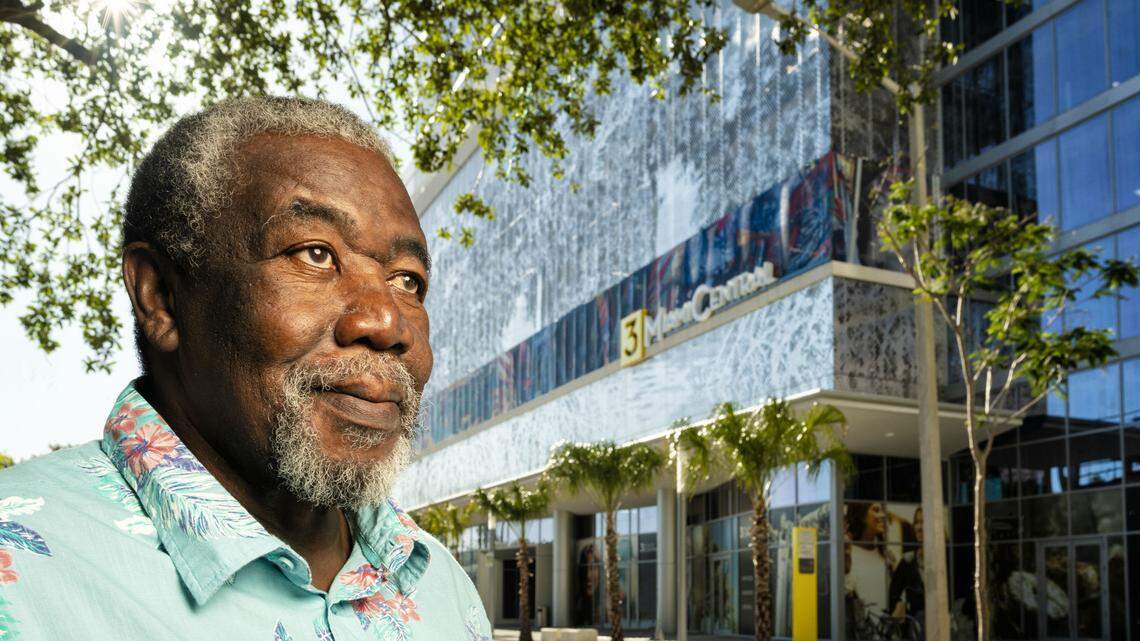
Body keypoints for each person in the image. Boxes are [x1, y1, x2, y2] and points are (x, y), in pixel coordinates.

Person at [0, 97, 492, 640]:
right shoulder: (20, 573)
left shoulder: (445, 588)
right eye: (315, 253)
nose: (387, 321)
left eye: (408, 281)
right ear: (161, 296)